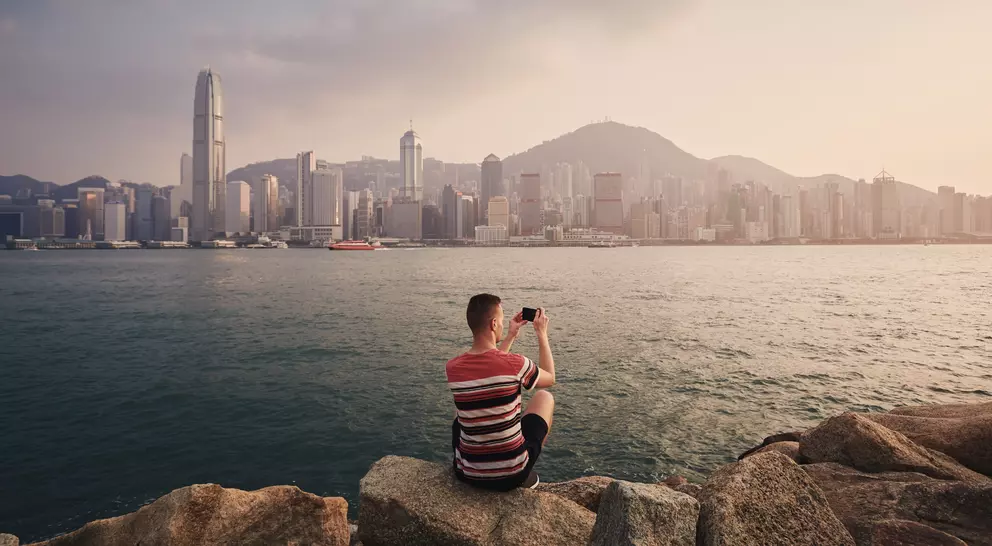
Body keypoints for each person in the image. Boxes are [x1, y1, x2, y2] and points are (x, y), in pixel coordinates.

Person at [445, 293, 556, 490]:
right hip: (512, 475)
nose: (504, 326)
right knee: (544, 397)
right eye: (503, 321)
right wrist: (542, 333)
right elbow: (549, 377)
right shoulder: (515, 363)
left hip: (467, 473)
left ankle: (481, 463)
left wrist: (511, 335)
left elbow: (491, 365)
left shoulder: (452, 367)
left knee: (460, 411)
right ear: (494, 324)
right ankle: (524, 470)